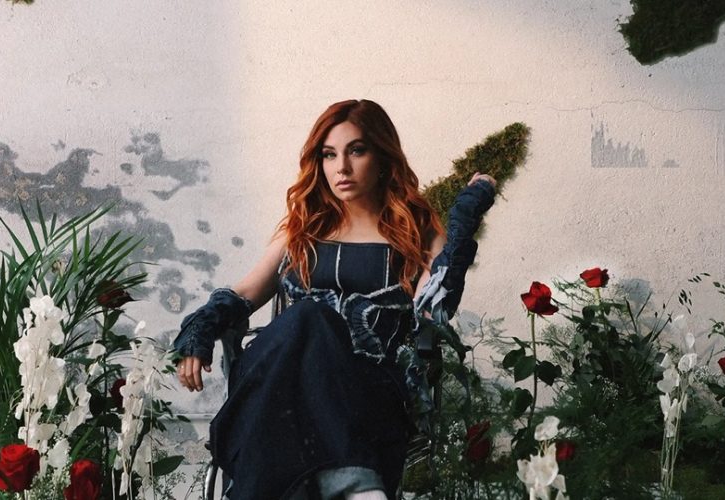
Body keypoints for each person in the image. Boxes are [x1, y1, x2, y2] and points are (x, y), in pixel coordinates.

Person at [174, 99, 496, 500]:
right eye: (329, 155)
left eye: (356, 151)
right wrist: (201, 328)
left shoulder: (416, 234)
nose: (341, 167)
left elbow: (437, 307)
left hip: (366, 396)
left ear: (383, 157)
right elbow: (243, 294)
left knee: (310, 320)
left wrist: (466, 216)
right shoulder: (301, 230)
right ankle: (353, 483)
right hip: (281, 385)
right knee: (309, 318)